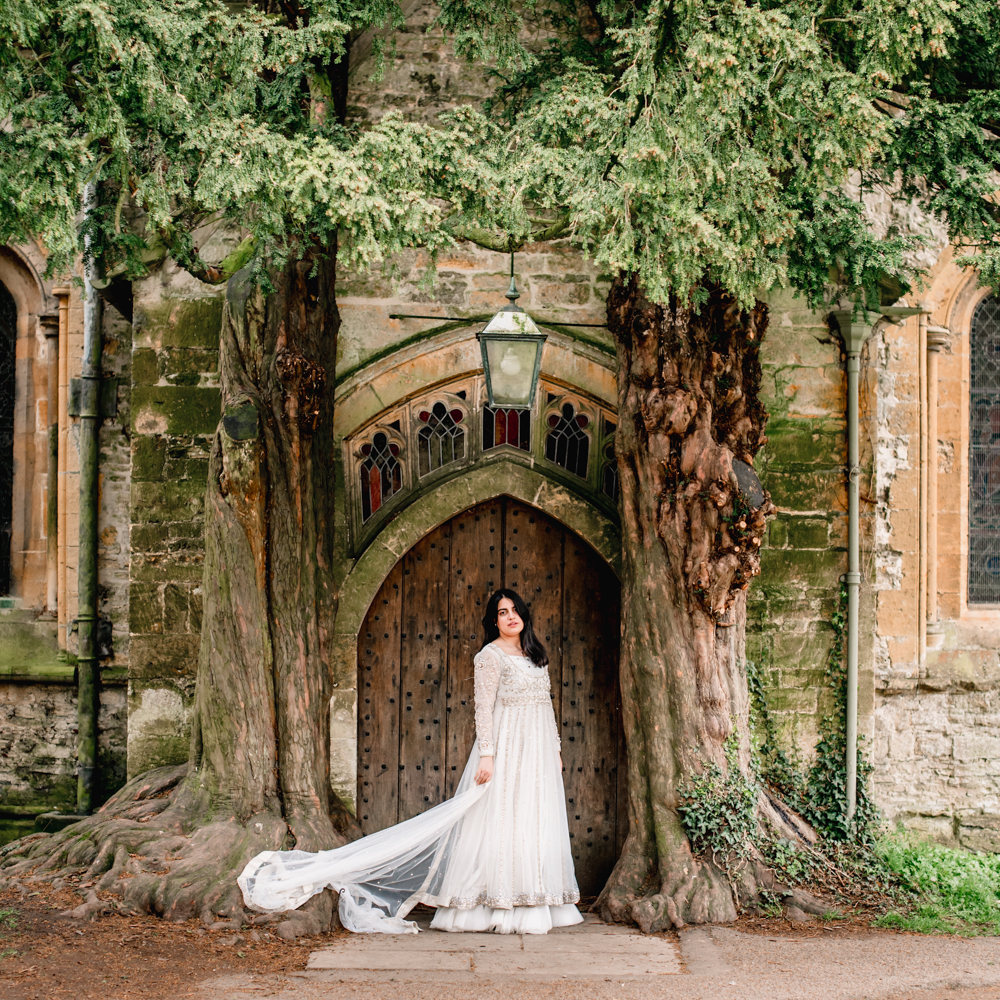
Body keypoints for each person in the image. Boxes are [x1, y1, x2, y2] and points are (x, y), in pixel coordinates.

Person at [238, 588, 582, 935]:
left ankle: (538, 898)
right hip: (506, 746)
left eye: (514, 610)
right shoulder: (489, 656)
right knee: (500, 817)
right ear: (494, 621)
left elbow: (546, 705)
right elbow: (483, 709)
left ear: (523, 614)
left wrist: (553, 749)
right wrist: (488, 755)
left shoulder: (535, 654)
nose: (510, 617)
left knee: (531, 816)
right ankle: (495, 903)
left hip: (536, 749)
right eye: (502, 612)